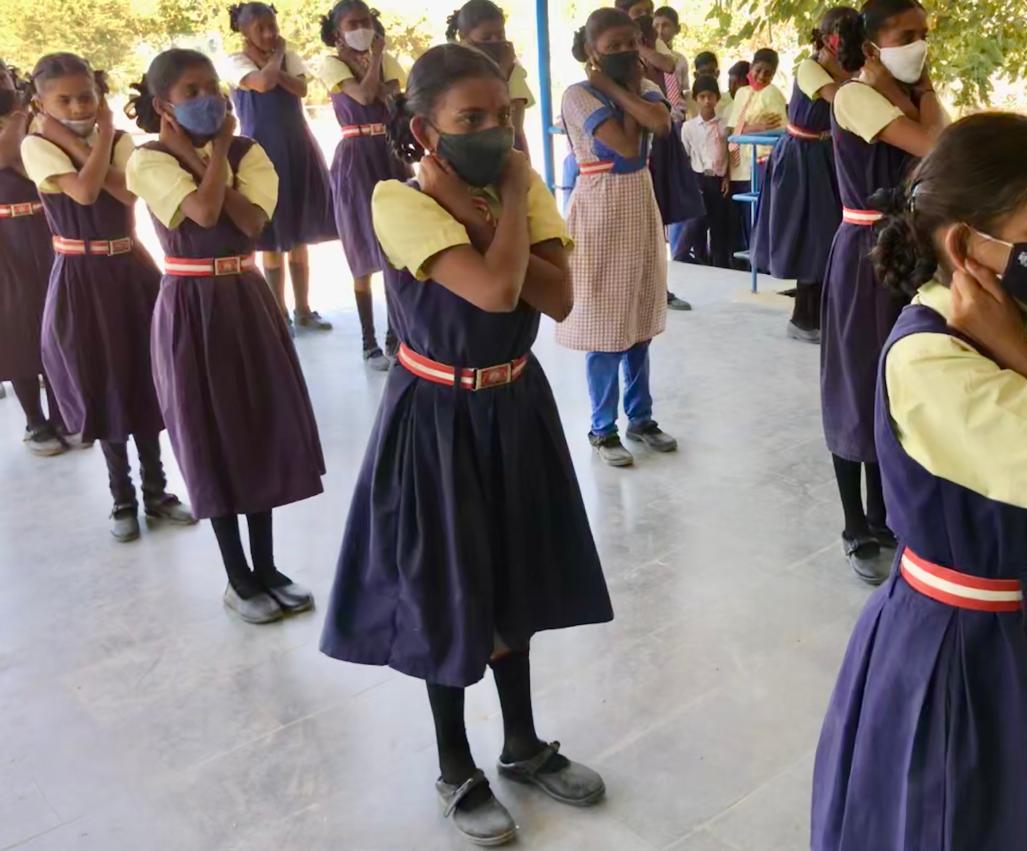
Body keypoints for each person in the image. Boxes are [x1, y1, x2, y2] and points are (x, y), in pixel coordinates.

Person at [811, 111, 1027, 851]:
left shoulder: (1022, 322)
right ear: (966, 244)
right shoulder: (936, 364)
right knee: (958, 820)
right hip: (956, 651)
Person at [319, 43, 611, 846]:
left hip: (514, 403)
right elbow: (493, 288)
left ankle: (520, 743)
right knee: (447, 590)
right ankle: (457, 763)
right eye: (470, 119)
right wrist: (512, 201)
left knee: (514, 576)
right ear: (426, 130)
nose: (496, 131)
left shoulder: (520, 189)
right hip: (438, 418)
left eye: (505, 115)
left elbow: (555, 296)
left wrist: (500, 203)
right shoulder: (396, 200)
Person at [126, 48, 326, 624]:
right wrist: (204, 157)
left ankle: (266, 566)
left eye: (212, 86)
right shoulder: (147, 160)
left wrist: (211, 157)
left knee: (255, 428)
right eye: (191, 91)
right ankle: (237, 577)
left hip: (245, 299)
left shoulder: (250, 150)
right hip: (190, 307)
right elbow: (208, 213)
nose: (208, 98)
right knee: (210, 433)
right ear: (164, 105)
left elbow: (253, 223)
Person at [21, 52, 193, 541]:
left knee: (146, 376)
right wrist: (80, 149)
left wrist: (81, 144)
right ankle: (122, 497)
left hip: (131, 269)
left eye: (86, 97)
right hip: (80, 275)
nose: (77, 106)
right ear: (41, 103)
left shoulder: (119, 139)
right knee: (105, 380)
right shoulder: (35, 146)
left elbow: (126, 194)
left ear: (100, 97)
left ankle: (157, 492)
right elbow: (82, 192)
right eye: (64, 100)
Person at [821, 0, 945, 583]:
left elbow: (939, 141)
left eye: (924, 35)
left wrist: (918, 89)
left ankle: (887, 515)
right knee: (856, 387)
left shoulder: (910, 93)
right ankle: (855, 525)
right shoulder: (851, 96)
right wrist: (912, 96)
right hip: (866, 256)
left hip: (910, 252)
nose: (919, 45)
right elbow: (932, 147)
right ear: (871, 48)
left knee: (899, 386)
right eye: (907, 35)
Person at [557, 7, 680, 468]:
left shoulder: (648, 88)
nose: (626, 53)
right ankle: (602, 428)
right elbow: (628, 145)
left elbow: (662, 124)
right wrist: (617, 88)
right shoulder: (578, 96)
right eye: (614, 48)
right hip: (601, 208)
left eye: (631, 44)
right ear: (592, 52)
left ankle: (641, 419)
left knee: (640, 323)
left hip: (639, 205)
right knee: (606, 326)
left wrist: (628, 91)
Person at [224, 2, 339, 334]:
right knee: (272, 238)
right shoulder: (236, 61)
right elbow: (261, 84)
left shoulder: (290, 59)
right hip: (260, 155)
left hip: (296, 149)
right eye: (261, 28)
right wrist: (277, 58)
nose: (270, 33)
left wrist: (277, 66)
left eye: (273, 26)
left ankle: (304, 309)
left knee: (298, 232)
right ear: (244, 32)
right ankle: (279, 314)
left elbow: (302, 88)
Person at [754, 6, 855, 344]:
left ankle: (815, 316)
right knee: (811, 235)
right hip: (800, 158)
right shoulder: (810, 68)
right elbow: (841, 99)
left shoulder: (846, 69)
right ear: (828, 39)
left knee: (827, 235)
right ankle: (804, 319)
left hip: (824, 155)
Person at [317, 0, 408, 371]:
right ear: (337, 32)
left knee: (395, 247)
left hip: (389, 153)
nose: (362, 28)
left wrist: (378, 71)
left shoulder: (389, 61)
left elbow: (396, 95)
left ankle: (394, 336)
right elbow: (369, 96)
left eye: (366, 21)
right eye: (352, 24)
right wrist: (376, 65)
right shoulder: (332, 64)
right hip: (355, 158)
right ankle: (369, 342)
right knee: (361, 247)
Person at [0, 60, 62, 454]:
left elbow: (38, 168)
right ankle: (34, 422)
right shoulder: (24, 120)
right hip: (5, 236)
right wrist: (21, 113)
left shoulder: (36, 121)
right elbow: (7, 154)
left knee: (53, 319)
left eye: (2, 75)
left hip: (44, 228)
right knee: (15, 326)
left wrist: (23, 115)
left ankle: (63, 413)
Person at [624, 2, 699, 311]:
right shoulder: (615, 43)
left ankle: (659, 288)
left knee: (659, 216)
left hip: (662, 133)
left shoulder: (651, 42)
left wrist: (643, 45)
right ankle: (633, 290)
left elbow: (669, 65)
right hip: (630, 142)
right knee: (633, 221)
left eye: (648, 11)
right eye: (639, 12)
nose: (647, 18)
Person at [446, 0, 537, 152]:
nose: (496, 42)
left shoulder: (512, 68)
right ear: (464, 38)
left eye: (500, 35)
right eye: (486, 38)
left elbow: (515, 122)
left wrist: (505, 69)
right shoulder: (453, 69)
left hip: (509, 146)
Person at [727, 49, 785, 255]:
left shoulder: (772, 94)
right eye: (758, 70)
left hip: (766, 159)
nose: (761, 76)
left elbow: (780, 130)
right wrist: (756, 126)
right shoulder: (742, 93)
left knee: (763, 210)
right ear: (751, 68)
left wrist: (751, 128)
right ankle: (753, 257)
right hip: (743, 163)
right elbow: (732, 128)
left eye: (768, 73)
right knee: (747, 213)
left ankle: (765, 258)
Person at [674, 74, 734, 268]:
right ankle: (683, 256)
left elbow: (729, 153)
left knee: (719, 226)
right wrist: (689, 184)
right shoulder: (689, 127)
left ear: (717, 98)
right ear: (696, 99)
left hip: (718, 180)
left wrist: (726, 177)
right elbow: (685, 157)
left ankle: (719, 266)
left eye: (711, 96)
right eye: (702, 97)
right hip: (699, 179)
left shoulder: (725, 125)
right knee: (696, 222)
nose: (707, 101)